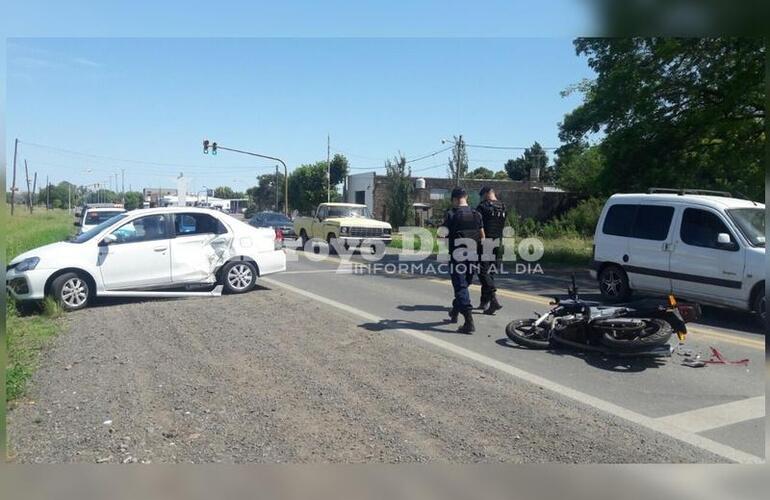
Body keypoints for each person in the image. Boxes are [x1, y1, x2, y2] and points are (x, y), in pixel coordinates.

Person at [442, 187, 484, 334]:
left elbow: (441, 236)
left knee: (460, 287)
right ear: (466, 197)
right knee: (464, 284)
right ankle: (454, 312)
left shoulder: (451, 214)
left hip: (457, 256)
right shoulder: (476, 214)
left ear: (454, 199)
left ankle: (468, 322)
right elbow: (482, 237)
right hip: (473, 255)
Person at [476, 186, 507, 315]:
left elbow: (477, 225)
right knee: (490, 272)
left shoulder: (482, 207)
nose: (482, 197)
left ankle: (493, 299)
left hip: (484, 241)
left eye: (483, 195)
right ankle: (484, 302)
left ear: (489, 193)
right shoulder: (503, 207)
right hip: (497, 242)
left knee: (482, 271)